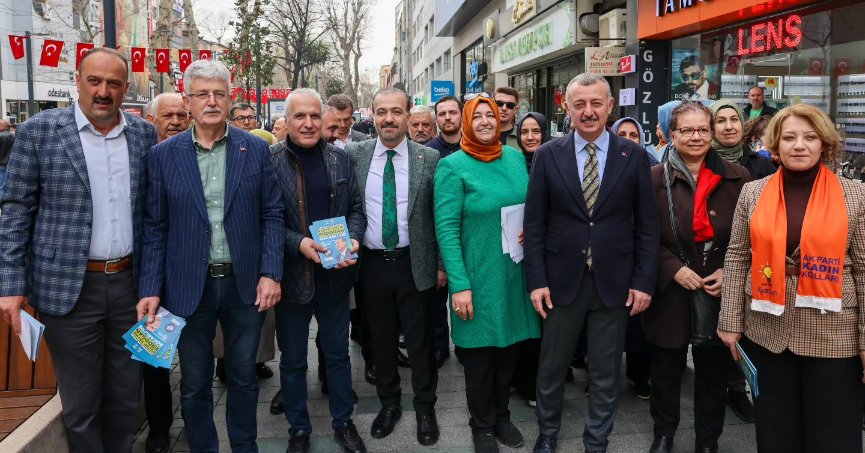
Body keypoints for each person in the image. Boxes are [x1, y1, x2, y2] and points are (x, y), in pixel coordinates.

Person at [0, 48, 158, 452]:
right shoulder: (38, 131)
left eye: (114, 83)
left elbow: (152, 213)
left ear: (125, 87)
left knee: (126, 397)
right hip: (68, 289)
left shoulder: (143, 135)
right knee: (81, 403)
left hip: (131, 288)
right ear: (78, 81)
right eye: (94, 81)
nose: (103, 91)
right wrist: (11, 285)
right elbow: (16, 210)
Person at [137, 59, 284, 453]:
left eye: (219, 93)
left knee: (243, 378)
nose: (212, 101)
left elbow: (272, 213)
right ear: (188, 102)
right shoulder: (164, 156)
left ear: (230, 98)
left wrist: (271, 272)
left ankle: (245, 447)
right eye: (202, 94)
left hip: (244, 285)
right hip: (187, 288)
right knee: (195, 383)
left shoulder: (255, 149)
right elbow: (155, 226)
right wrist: (150, 287)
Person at [525, 73, 660, 453]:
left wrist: (643, 282)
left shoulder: (633, 155)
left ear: (610, 106)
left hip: (614, 283)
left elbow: (648, 227)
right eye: (580, 104)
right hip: (560, 282)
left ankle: (596, 441)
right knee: (552, 367)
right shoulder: (547, 155)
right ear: (566, 107)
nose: (588, 111)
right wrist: (537, 281)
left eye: (596, 103)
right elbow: (534, 225)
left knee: (604, 371)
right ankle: (547, 433)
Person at [719, 103, 865, 453]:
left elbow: (863, 268)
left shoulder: (856, 194)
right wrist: (730, 321)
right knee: (775, 433)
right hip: (767, 330)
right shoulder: (753, 192)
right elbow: (737, 256)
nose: (799, 145)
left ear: (824, 144)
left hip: (834, 334)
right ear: (775, 144)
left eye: (809, 137)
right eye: (789, 138)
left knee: (833, 436)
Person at [641, 101, 750, 453]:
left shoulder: (738, 178)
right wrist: (673, 268)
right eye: (686, 130)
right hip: (671, 286)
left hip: (718, 286)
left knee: (712, 370)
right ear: (671, 135)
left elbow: (751, 237)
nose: (696, 136)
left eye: (703, 129)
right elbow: (640, 235)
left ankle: (708, 439)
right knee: (666, 367)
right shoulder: (653, 179)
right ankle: (664, 433)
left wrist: (729, 270)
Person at [435, 95, 540, 453]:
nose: (484, 121)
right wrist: (459, 285)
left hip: (514, 273)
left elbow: (528, 206)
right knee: (480, 358)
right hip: (477, 278)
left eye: (490, 115)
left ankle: (502, 416)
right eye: (477, 116)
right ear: (467, 122)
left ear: (499, 120)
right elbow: (446, 231)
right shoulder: (452, 167)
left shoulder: (514, 158)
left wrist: (530, 228)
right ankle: (481, 425)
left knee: (508, 351)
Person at [269, 88, 368, 453]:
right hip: (293, 278)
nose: (308, 123)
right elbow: (267, 220)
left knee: (337, 354)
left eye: (314, 116)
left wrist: (354, 238)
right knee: (293, 360)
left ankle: (344, 422)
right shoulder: (270, 160)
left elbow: (356, 210)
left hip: (334, 275)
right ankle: (299, 429)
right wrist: (299, 242)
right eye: (300, 116)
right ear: (287, 120)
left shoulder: (340, 159)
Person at [349, 87, 442, 446]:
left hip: (414, 263)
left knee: (420, 342)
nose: (388, 119)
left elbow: (439, 216)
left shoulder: (428, 159)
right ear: (372, 115)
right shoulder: (355, 155)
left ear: (408, 115)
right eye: (382, 112)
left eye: (396, 112)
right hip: (371, 266)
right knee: (381, 339)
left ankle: (425, 407)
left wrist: (441, 266)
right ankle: (389, 404)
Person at [141, 92, 192, 453]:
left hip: (188, 269)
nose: (175, 122)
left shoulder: (197, 154)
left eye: (181, 116)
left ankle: (194, 415)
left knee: (193, 353)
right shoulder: (142, 158)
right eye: (168, 116)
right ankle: (159, 427)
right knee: (153, 354)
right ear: (151, 120)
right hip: (148, 270)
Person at [711, 99, 776, 181]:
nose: (729, 127)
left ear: (741, 123)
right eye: (721, 121)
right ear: (711, 127)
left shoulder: (761, 164)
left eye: (734, 119)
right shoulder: (702, 162)